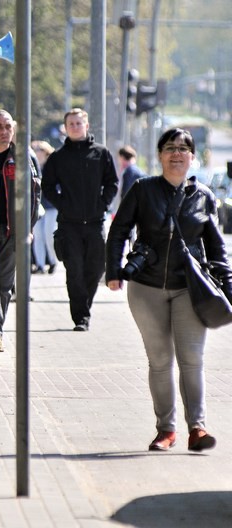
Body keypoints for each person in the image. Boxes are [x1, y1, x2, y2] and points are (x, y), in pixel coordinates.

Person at [106, 128, 230, 452]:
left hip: (190, 288)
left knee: (192, 359)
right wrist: (114, 271)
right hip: (146, 288)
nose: (177, 154)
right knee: (160, 360)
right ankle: (166, 430)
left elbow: (217, 248)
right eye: (170, 148)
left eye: (184, 149)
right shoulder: (142, 189)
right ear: (160, 155)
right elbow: (119, 230)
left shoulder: (203, 195)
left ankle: (197, 429)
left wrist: (228, 287)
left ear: (192, 157)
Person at [41, 108, 118, 331]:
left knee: (95, 268)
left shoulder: (101, 153)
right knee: (74, 270)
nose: (74, 127)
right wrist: (63, 204)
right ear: (65, 128)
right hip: (69, 224)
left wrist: (103, 204)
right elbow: (47, 186)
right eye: (70, 124)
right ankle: (81, 317)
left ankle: (85, 305)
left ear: (86, 125)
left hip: (95, 222)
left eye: (78, 123)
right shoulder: (58, 157)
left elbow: (112, 182)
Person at [0, 110, 42, 352]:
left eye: (8, 126)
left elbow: (35, 195)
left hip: (13, 230)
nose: (3, 131)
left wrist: (28, 227)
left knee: (6, 284)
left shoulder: (24, 156)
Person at [31, 140, 58, 274]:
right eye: (35, 149)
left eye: (39, 149)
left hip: (51, 206)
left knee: (49, 235)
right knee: (38, 236)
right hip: (37, 205)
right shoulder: (34, 166)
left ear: (46, 152)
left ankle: (53, 261)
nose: (37, 152)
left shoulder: (52, 166)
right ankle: (40, 264)